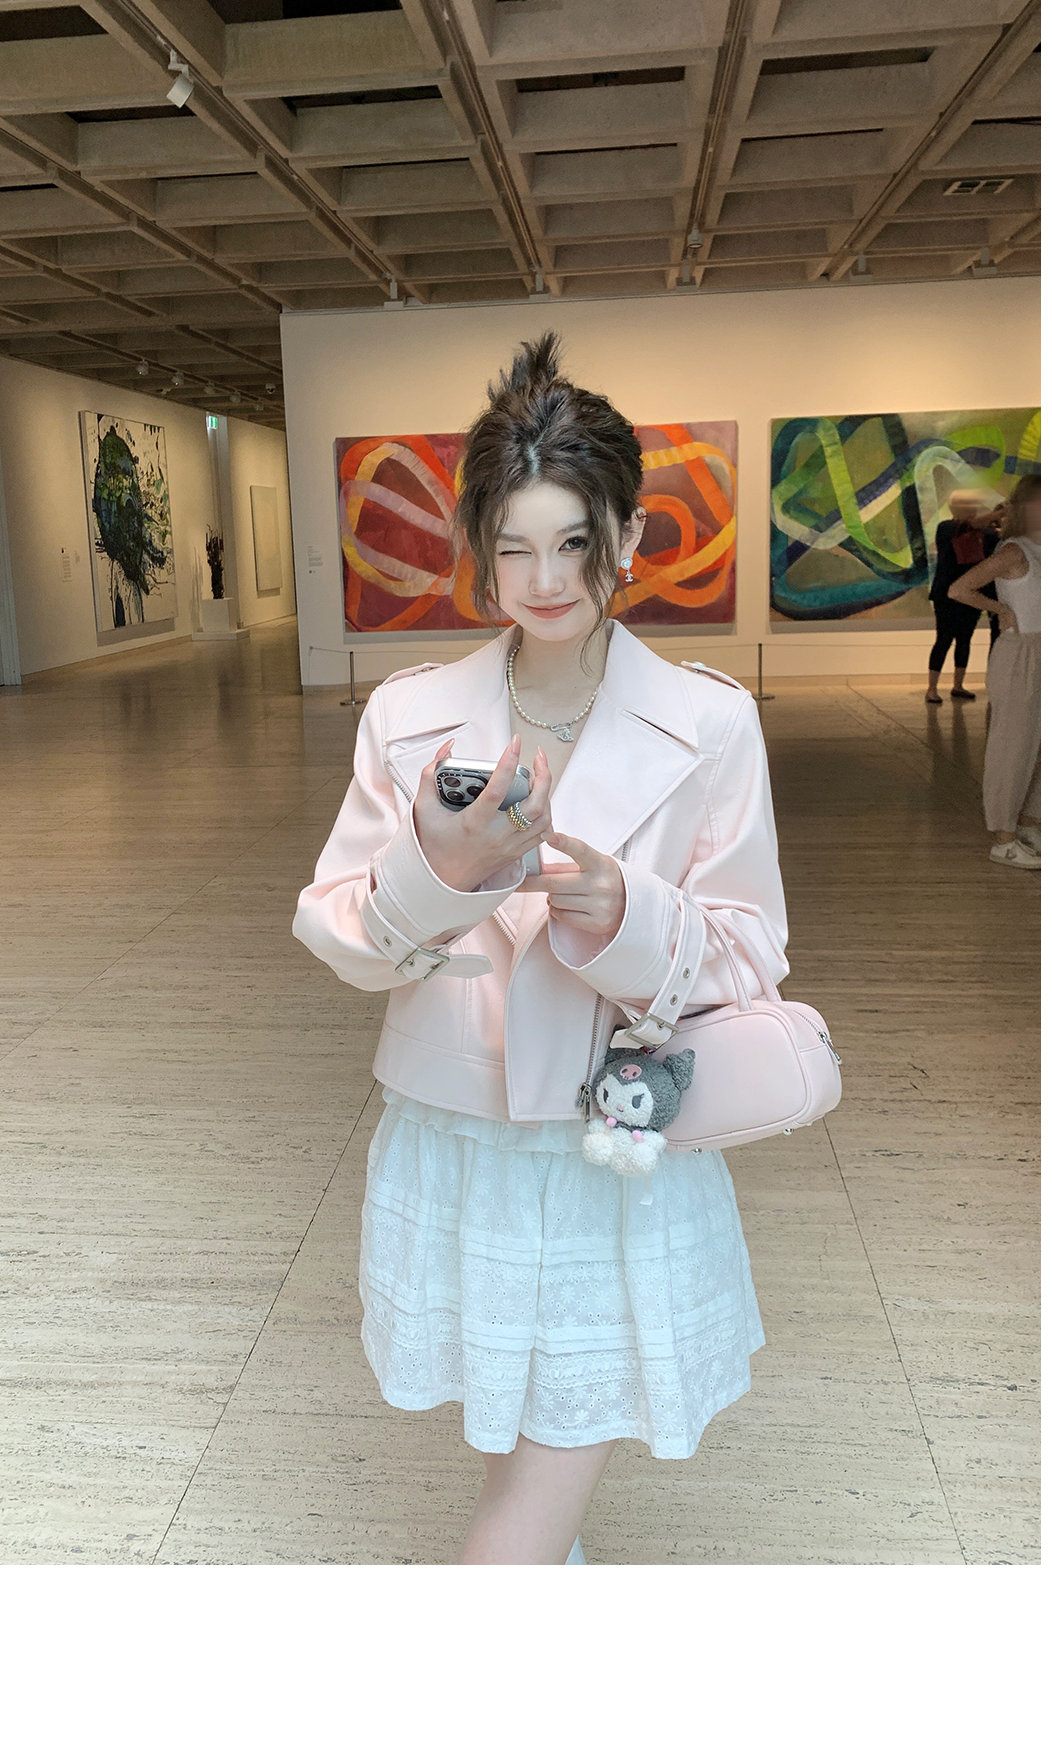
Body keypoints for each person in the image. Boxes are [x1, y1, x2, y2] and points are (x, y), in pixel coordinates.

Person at [293, 335, 789, 1564]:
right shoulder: (409, 715)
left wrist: (630, 915)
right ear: (478, 549)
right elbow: (340, 928)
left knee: (523, 1509)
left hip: (614, 1149)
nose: (546, 578)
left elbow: (752, 949)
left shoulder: (710, 722)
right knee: (523, 1463)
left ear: (628, 535)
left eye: (574, 542)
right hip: (457, 1141)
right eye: (513, 547)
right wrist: (442, 872)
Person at [947, 475, 1041, 868]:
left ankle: (1028, 823)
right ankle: (1004, 838)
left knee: (1041, 746)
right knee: (1013, 746)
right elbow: (959, 589)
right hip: (1021, 654)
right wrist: (1001, 609)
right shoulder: (1015, 551)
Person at [925, 490, 1001, 704]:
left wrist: (999, 519)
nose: (973, 509)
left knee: (965, 639)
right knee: (944, 639)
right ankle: (932, 688)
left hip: (971, 594)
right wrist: (997, 514)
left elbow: (995, 534)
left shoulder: (982, 533)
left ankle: (958, 685)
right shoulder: (946, 527)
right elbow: (969, 526)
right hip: (947, 594)